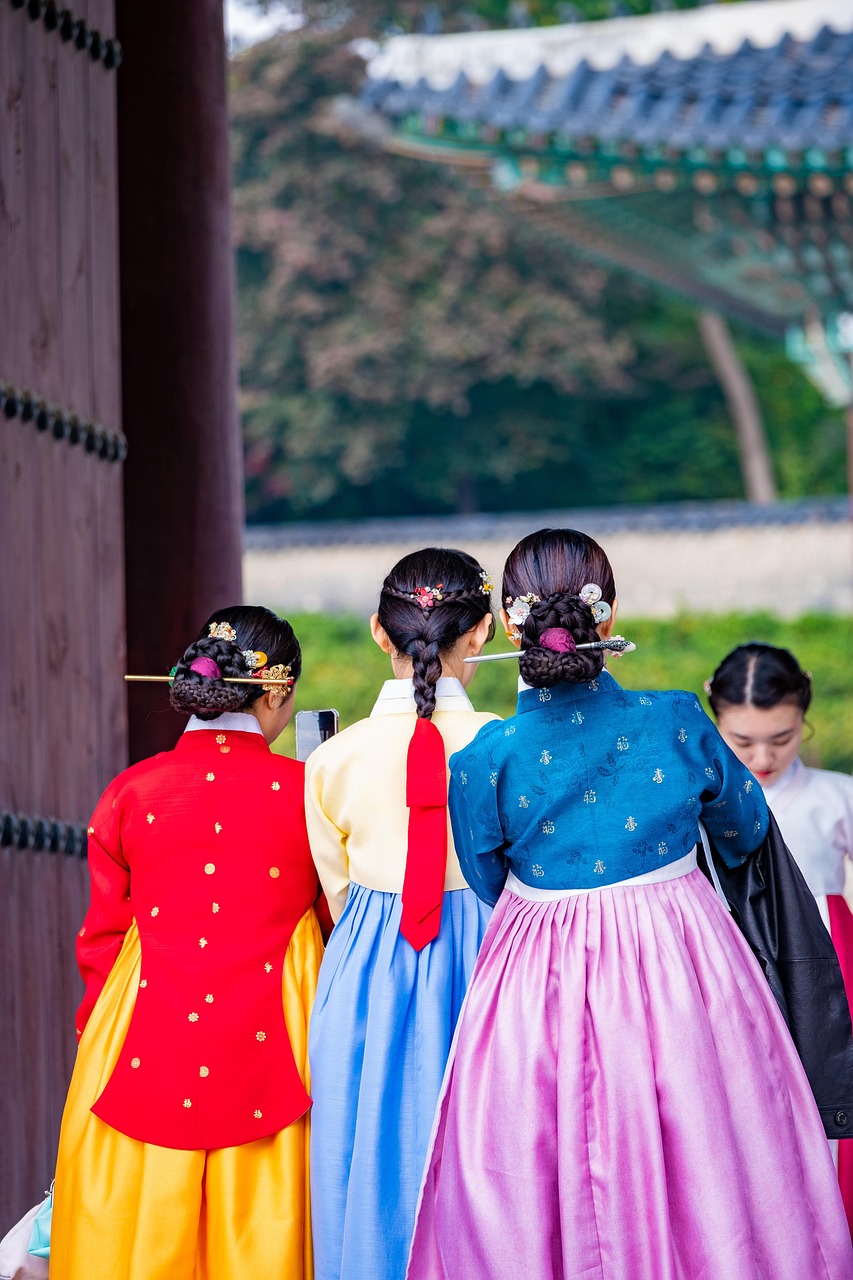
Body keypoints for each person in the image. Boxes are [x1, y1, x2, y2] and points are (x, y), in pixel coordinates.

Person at [406, 529, 853, 1280]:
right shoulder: (674, 719)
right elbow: (744, 831)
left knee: (538, 1154)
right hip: (683, 954)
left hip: (534, 965)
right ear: (606, 619)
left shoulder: (484, 756)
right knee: (711, 1140)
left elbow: (487, 877)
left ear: (509, 628)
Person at [50, 606, 325, 1280]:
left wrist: (93, 1040)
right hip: (284, 1048)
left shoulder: (129, 792)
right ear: (278, 692)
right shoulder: (308, 791)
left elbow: (102, 940)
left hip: (141, 1042)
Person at [305, 547, 497, 1280]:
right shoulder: (501, 742)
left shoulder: (333, 760)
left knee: (369, 1141)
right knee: (494, 1143)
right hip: (489, 949)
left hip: (371, 961)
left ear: (378, 634)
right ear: (479, 632)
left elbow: (338, 889)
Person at [708, 640, 853, 1230]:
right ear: (714, 720)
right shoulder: (701, 806)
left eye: (783, 737)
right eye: (741, 742)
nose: (764, 756)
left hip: (829, 968)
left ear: (803, 715)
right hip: (736, 969)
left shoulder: (836, 796)